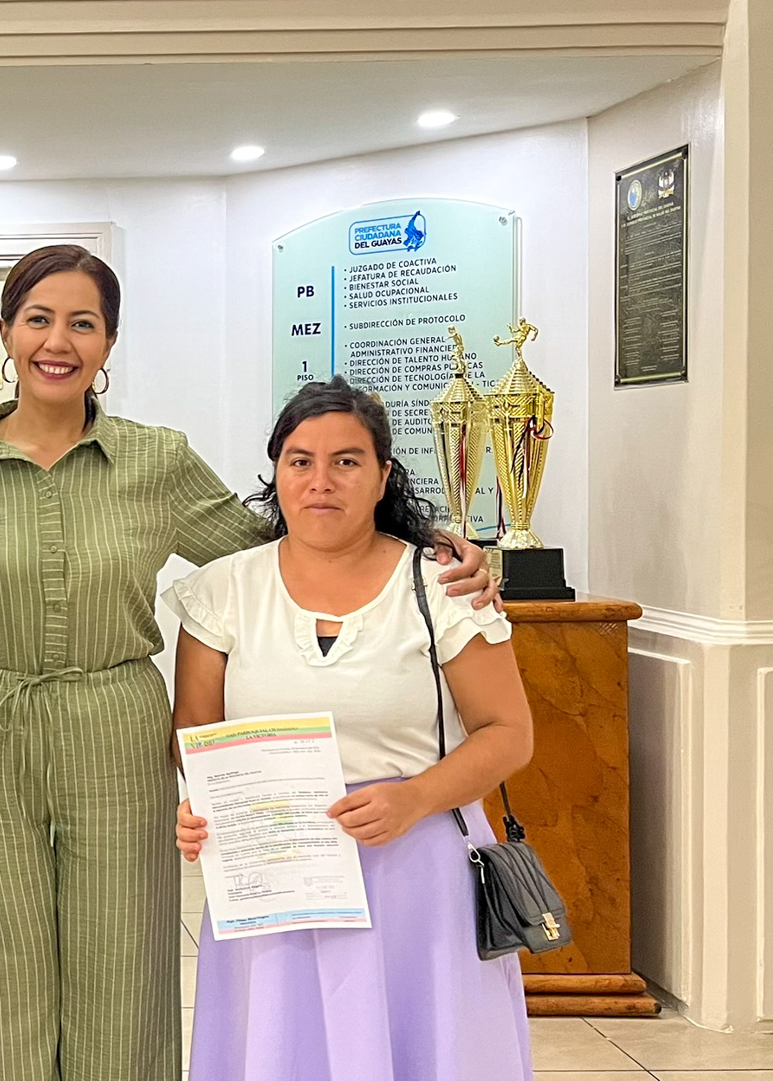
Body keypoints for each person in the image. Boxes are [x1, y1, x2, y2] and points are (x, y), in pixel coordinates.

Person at [0, 246, 498, 1081]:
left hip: (117, 726)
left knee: (123, 967)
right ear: (6, 331)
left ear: (109, 342)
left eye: (83, 323)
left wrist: (422, 548)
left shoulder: (156, 461)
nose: (58, 341)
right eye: (38, 319)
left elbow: (281, 540)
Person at [169, 376, 534, 1080]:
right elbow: (197, 737)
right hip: (276, 872)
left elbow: (508, 732)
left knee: (423, 1049)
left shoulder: (443, 588)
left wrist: (415, 797)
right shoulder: (222, 591)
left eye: (347, 461)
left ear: (383, 475)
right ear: (276, 472)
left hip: (416, 869)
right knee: (281, 1050)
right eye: (300, 460)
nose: (321, 481)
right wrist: (202, 807)